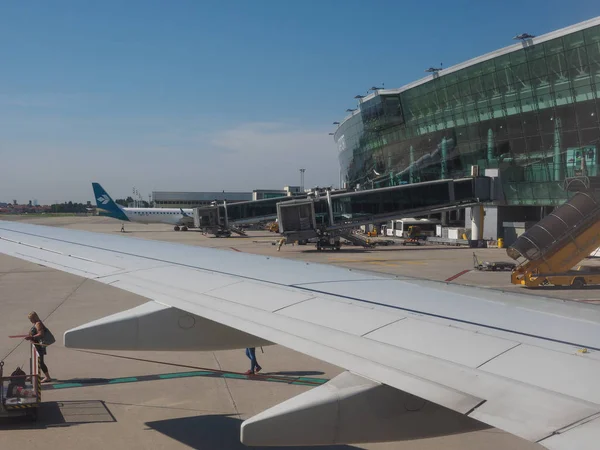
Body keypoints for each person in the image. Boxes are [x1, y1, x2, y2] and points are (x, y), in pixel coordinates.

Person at [25, 312, 52, 383]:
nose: (30, 320)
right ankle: (33, 376)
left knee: (41, 362)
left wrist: (31, 337)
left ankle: (47, 377)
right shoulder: (35, 324)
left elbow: (41, 334)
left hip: (39, 346)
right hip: (35, 345)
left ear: (34, 317)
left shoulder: (38, 324)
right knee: (35, 361)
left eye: (31, 319)